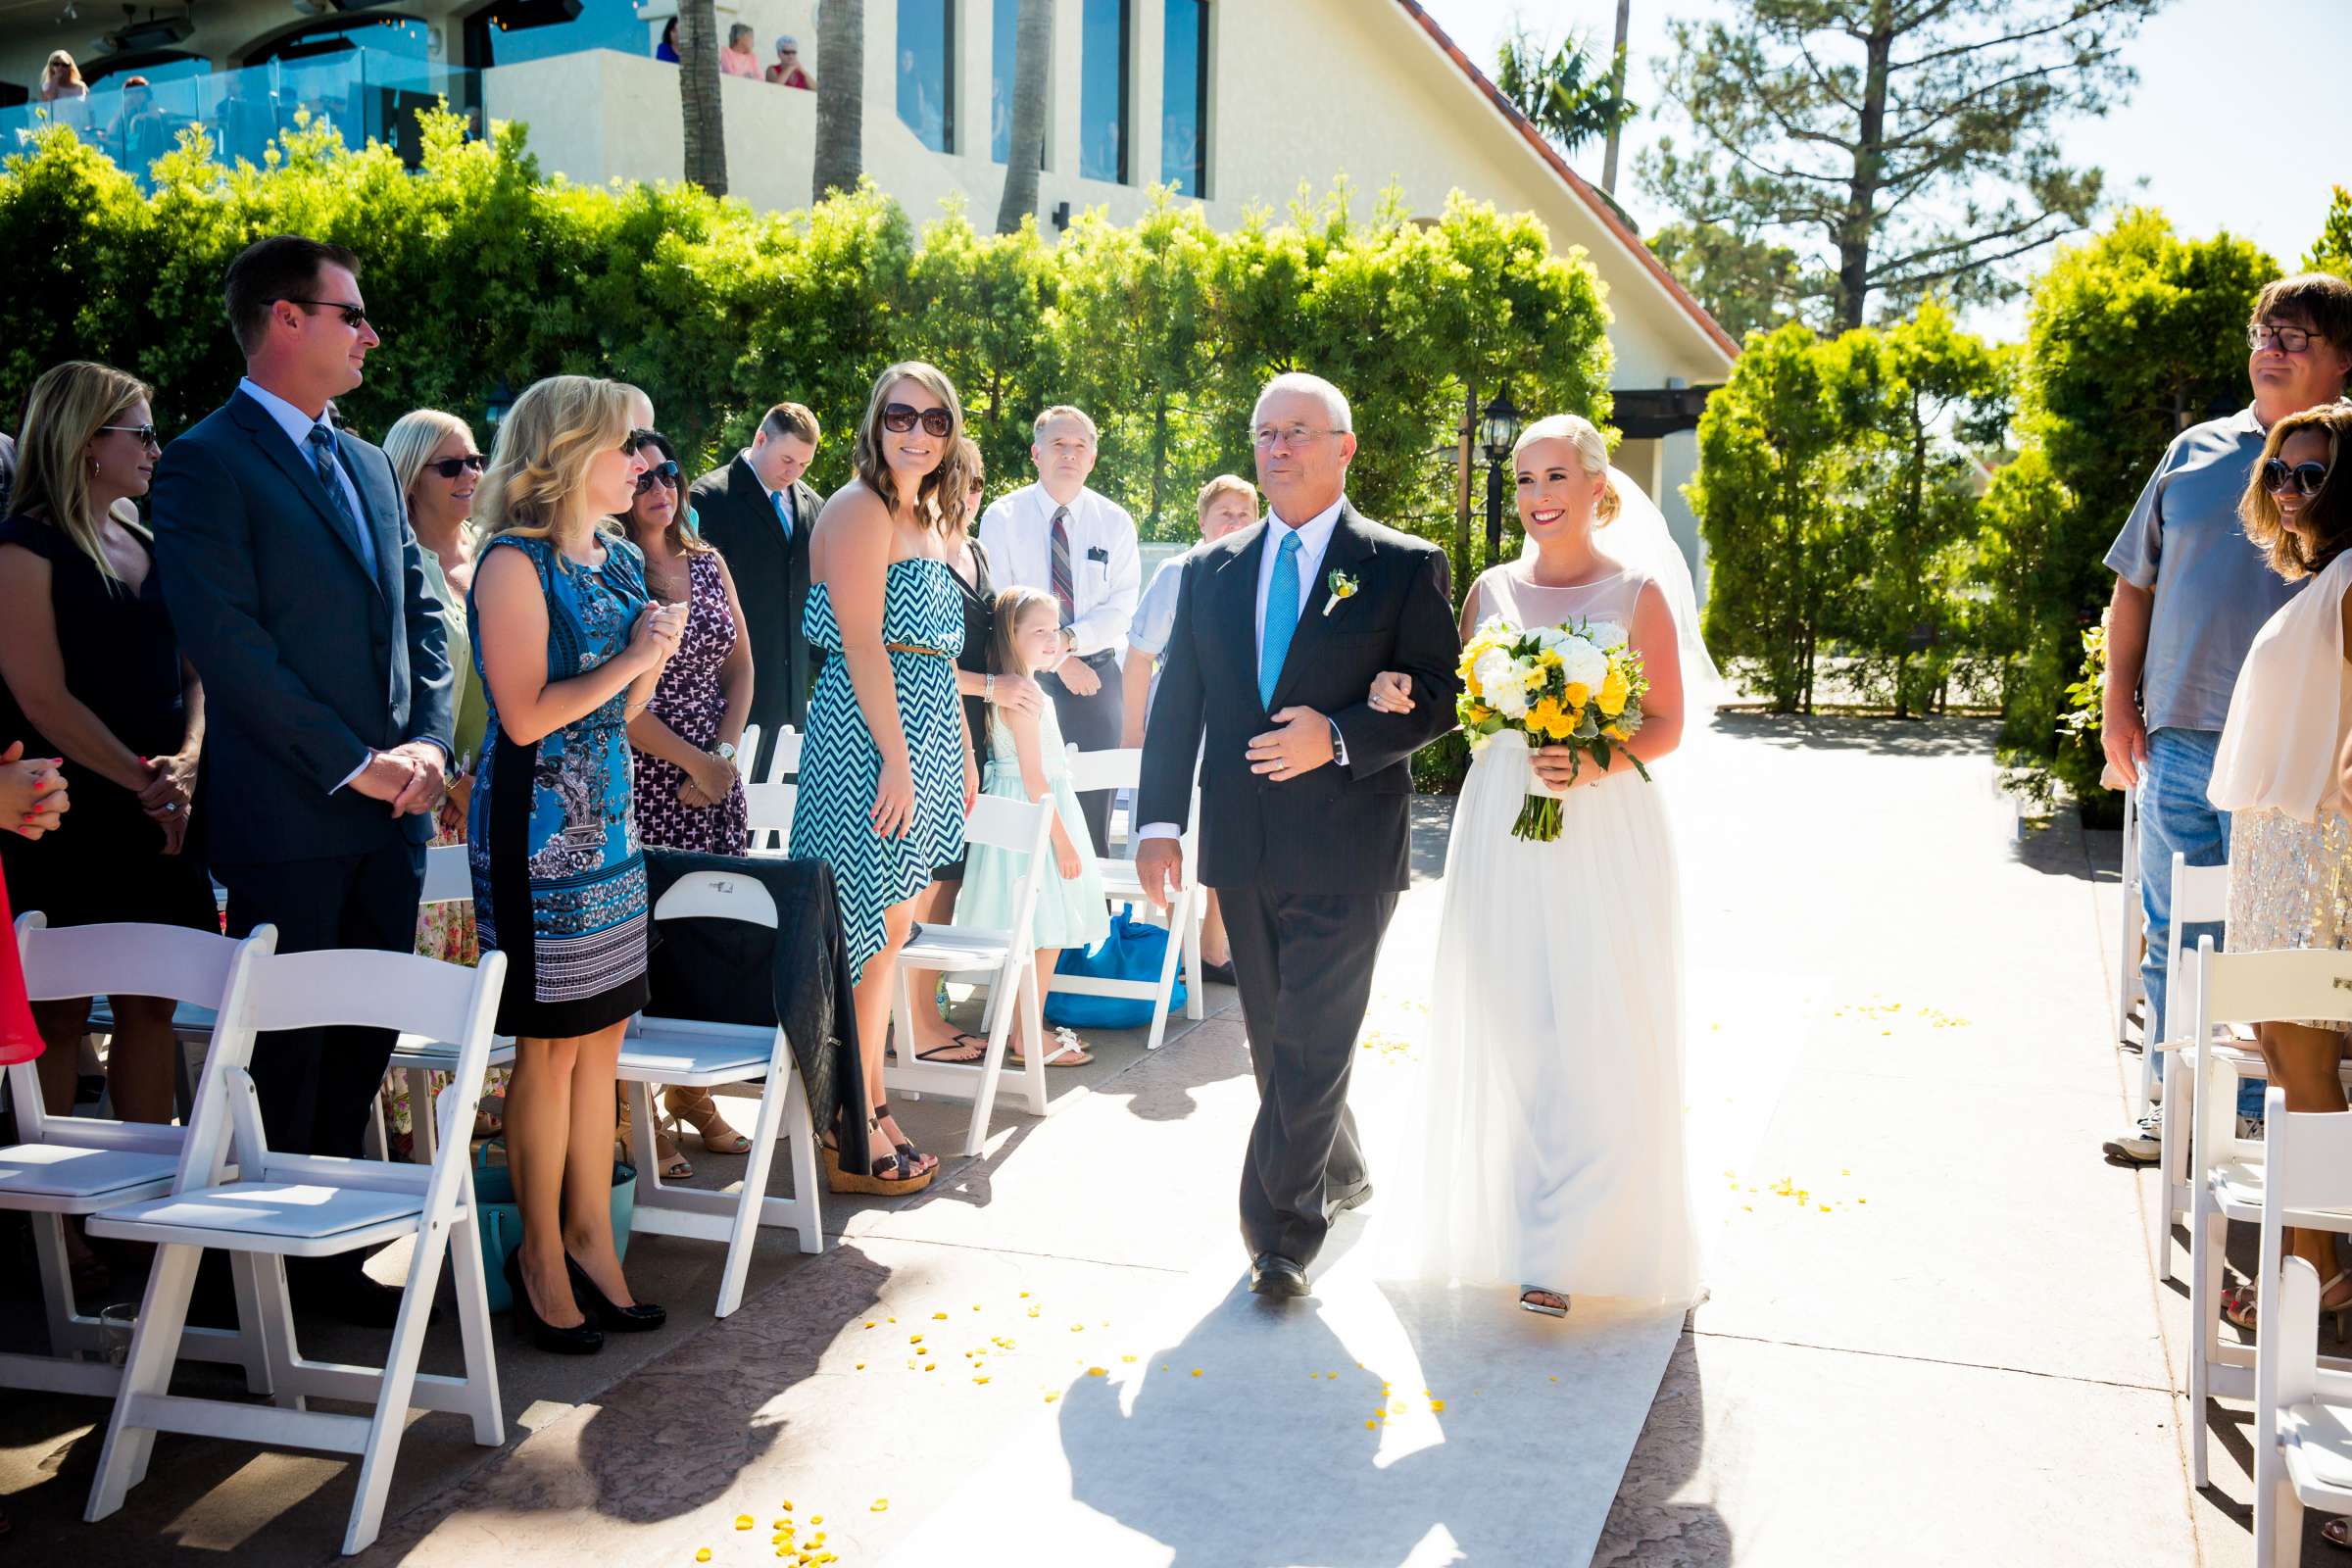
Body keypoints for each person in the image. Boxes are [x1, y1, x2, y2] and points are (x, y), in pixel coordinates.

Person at [153, 235, 456, 1326]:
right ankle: (262, 1281)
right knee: (291, 1048)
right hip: (289, 818)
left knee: (367, 1037)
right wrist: (352, 762)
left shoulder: (372, 461)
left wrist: (425, 745)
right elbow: (229, 646)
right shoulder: (203, 461)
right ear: (286, 320)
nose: (370, 333)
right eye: (351, 314)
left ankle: (324, 1255)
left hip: (394, 817)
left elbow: (422, 616)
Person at [1369, 416, 1708, 1314]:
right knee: (1512, 1020)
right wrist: (1400, 692)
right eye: (1523, 481)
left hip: (1604, 824)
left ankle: (1569, 1250)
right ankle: (1515, 1228)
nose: (1538, 498)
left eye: (1556, 478)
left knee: (1594, 1027)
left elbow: (1668, 722)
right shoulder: (1487, 592)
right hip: (1503, 822)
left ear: (1599, 488)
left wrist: (1593, 760)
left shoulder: (1636, 595)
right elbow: (1463, 709)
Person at [1134, 371, 1459, 1299]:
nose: (1277, 448)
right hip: (1243, 839)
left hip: (1352, 844)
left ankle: (1279, 1234)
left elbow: (1441, 694)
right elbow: (1178, 707)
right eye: (1264, 433)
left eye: (1298, 433)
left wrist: (1343, 732)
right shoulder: (1210, 570)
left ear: (1344, 447)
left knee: (1316, 1034)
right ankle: (1342, 1167)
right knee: (1277, 1034)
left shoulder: (1401, 563)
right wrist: (1159, 823)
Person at [2098, 272, 2352, 1165]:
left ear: (2343, 362)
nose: (2274, 347)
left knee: (2280, 959)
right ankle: (2173, 1116)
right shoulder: (2193, 452)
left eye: (2299, 336)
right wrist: (2118, 709)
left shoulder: (2349, 468)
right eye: (2266, 331)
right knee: (2177, 931)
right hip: (2181, 738)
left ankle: (2251, 1135)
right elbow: (2136, 584)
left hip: (2300, 768)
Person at [468, 374, 686, 1353]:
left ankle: (596, 1237)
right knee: (547, 1047)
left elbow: (624, 711)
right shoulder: (513, 563)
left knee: (603, 1038)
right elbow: (524, 716)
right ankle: (542, 1255)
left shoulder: (619, 563)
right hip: (535, 830)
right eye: (624, 444)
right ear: (565, 452)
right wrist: (631, 657)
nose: (642, 462)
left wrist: (650, 658)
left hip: (612, 827)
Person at [0, 360, 212, 1137]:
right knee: (57, 1012)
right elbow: (41, 696)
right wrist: (142, 782)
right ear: (88, 441)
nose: (158, 449)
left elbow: (197, 673)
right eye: (144, 434)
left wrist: (186, 764)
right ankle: (57, 1234)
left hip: (163, 808)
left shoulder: (144, 539)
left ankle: (149, 1204)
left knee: (150, 1005)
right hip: (68, 812)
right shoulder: (21, 548)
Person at [788, 361, 979, 1196]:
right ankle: (849, 1124)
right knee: (865, 936)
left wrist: (962, 751)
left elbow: (939, 652)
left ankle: (870, 1101)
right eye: (902, 416)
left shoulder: (929, 517)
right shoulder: (858, 508)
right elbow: (864, 644)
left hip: (925, 730)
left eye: (936, 422)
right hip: (868, 738)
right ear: (876, 420)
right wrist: (899, 758)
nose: (917, 433)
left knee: (895, 933)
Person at [2203, 404, 2352, 1343]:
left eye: (2313, 475)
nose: (2291, 491)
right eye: (2282, 474)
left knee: (2307, 1070)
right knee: (2288, 1061)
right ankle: (2313, 1260)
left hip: (2316, 853)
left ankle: (2317, 1268)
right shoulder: (2328, 577)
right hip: (2279, 851)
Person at [617, 427, 757, 1179]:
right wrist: (694, 763)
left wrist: (724, 762)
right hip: (641, 779)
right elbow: (617, 701)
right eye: (640, 478)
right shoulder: (611, 569)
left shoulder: (708, 563)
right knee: (641, 947)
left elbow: (741, 667)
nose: (658, 489)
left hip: (713, 784)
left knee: (702, 938)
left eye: (666, 472)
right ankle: (633, 1114)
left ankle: (691, 1093)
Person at [902, 437, 1047, 1064]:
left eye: (980, 482)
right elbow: (908, 654)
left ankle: (924, 1013)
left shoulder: (979, 553)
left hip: (973, 733)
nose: (968, 493)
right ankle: (916, 1023)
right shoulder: (913, 550)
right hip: (923, 725)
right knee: (927, 878)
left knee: (955, 874)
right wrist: (991, 686)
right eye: (957, 479)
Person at [379, 409, 499, 1149]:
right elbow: (396, 687)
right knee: (437, 968)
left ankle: (485, 1133)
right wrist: (451, 776)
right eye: (449, 466)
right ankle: (418, 1136)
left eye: (475, 461)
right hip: (435, 795)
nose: (469, 477)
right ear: (409, 475)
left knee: (492, 969)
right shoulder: (395, 564)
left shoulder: (494, 555)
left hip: (504, 790)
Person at [956, 585, 1108, 1066]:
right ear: (1010, 635)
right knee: (1045, 930)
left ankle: (1027, 1026)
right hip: (1034, 818)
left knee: (1046, 928)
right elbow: (1033, 777)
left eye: (1054, 630)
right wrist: (1062, 842)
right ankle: (1027, 1036)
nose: (1050, 639)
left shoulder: (1024, 687)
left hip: (1035, 811)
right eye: (1037, 631)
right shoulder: (1022, 696)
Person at [978, 405, 1140, 855]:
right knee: (1027, 804)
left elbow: (1123, 606)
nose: (1069, 454)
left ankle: (1094, 920)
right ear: (1036, 452)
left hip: (1095, 679)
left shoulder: (1115, 521)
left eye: (1079, 447)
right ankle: (1026, 915)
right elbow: (1001, 602)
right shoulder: (1003, 516)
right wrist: (1058, 659)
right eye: (1058, 445)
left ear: (1092, 458)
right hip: (1021, 679)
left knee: (1092, 815)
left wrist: (1068, 644)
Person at [1119, 472, 1256, 985]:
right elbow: (1139, 658)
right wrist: (1135, 740)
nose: (1236, 522)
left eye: (1246, 514)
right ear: (1202, 520)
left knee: (1222, 833)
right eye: (1226, 512)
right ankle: (1177, 953)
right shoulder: (1179, 572)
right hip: (1181, 725)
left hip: (1236, 727)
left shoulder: (1261, 570)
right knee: (1170, 833)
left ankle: (1212, 946)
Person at [691, 401, 821, 776]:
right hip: (729, 694)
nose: (793, 472)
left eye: (804, 464)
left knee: (779, 826)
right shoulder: (709, 498)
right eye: (786, 460)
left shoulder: (813, 504)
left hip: (793, 698)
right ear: (760, 439)